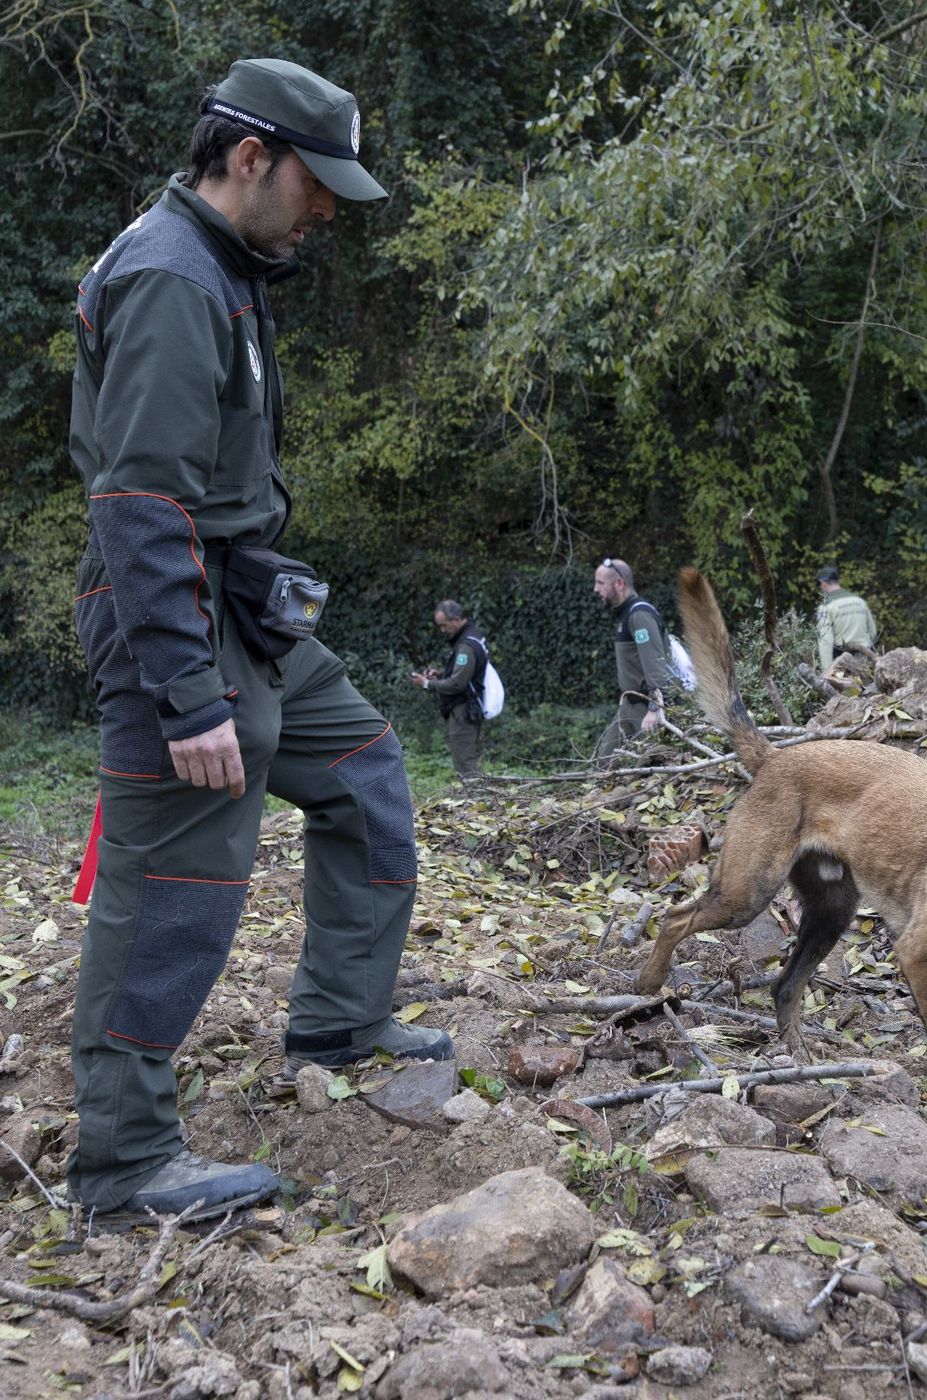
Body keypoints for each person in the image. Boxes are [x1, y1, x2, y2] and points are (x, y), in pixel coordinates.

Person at [67, 58, 452, 1219]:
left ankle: (337, 1018)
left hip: (247, 607)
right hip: (174, 619)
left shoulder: (225, 267)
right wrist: (185, 693)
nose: (326, 208)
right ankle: (124, 1163)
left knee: (362, 770)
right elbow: (140, 500)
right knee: (177, 875)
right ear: (250, 159)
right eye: (315, 183)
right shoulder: (172, 279)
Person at [593, 557, 674, 760]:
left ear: (619, 584)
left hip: (646, 706)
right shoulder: (626, 614)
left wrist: (655, 708)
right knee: (604, 762)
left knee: (655, 764)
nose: (595, 589)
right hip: (629, 705)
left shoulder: (639, 615)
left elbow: (654, 661)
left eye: (600, 583)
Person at [411, 601, 486, 782]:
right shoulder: (475, 635)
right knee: (469, 758)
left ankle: (473, 802)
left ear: (457, 619)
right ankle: (477, 799)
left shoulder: (466, 646)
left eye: (444, 625)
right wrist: (442, 674)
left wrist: (427, 683)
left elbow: (457, 684)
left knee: (464, 761)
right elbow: (469, 675)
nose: (443, 630)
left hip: (464, 709)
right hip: (471, 705)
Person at [815, 565, 878, 672]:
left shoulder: (825, 607)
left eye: (818, 584)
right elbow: (873, 632)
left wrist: (827, 671)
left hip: (841, 661)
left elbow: (825, 640)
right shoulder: (860, 601)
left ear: (824, 583)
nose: (820, 588)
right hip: (866, 658)